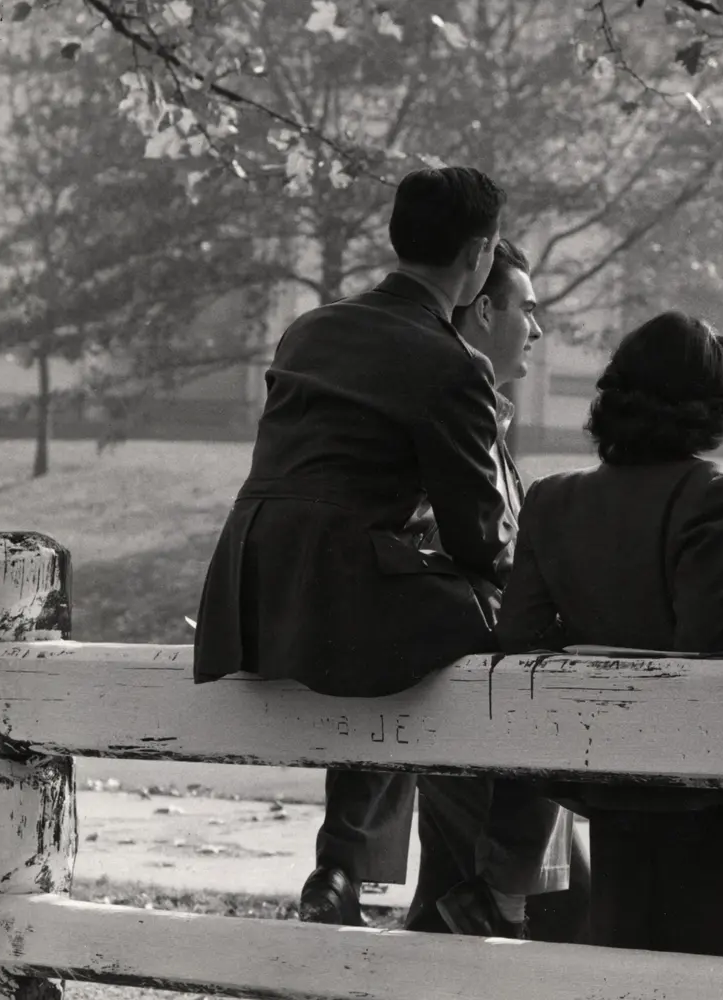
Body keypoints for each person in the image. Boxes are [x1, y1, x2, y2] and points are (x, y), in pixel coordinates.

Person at [193, 166, 512, 927]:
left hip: (249, 587)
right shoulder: (452, 364)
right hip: (347, 593)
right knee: (511, 617)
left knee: (413, 626)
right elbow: (483, 538)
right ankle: (481, 878)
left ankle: (342, 868)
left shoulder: (310, 329)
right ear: (480, 255)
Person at [451, 311, 723, 956]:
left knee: (623, 951)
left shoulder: (552, 499)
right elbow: (704, 642)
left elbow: (519, 637)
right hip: (700, 789)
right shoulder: (712, 491)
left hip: (604, 782)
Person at [395, 239, 593, 945]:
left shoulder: (479, 414)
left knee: (452, 901)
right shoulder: (449, 410)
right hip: (467, 688)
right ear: (482, 311)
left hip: (476, 697)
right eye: (527, 310)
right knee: (538, 910)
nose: (537, 330)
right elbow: (475, 547)